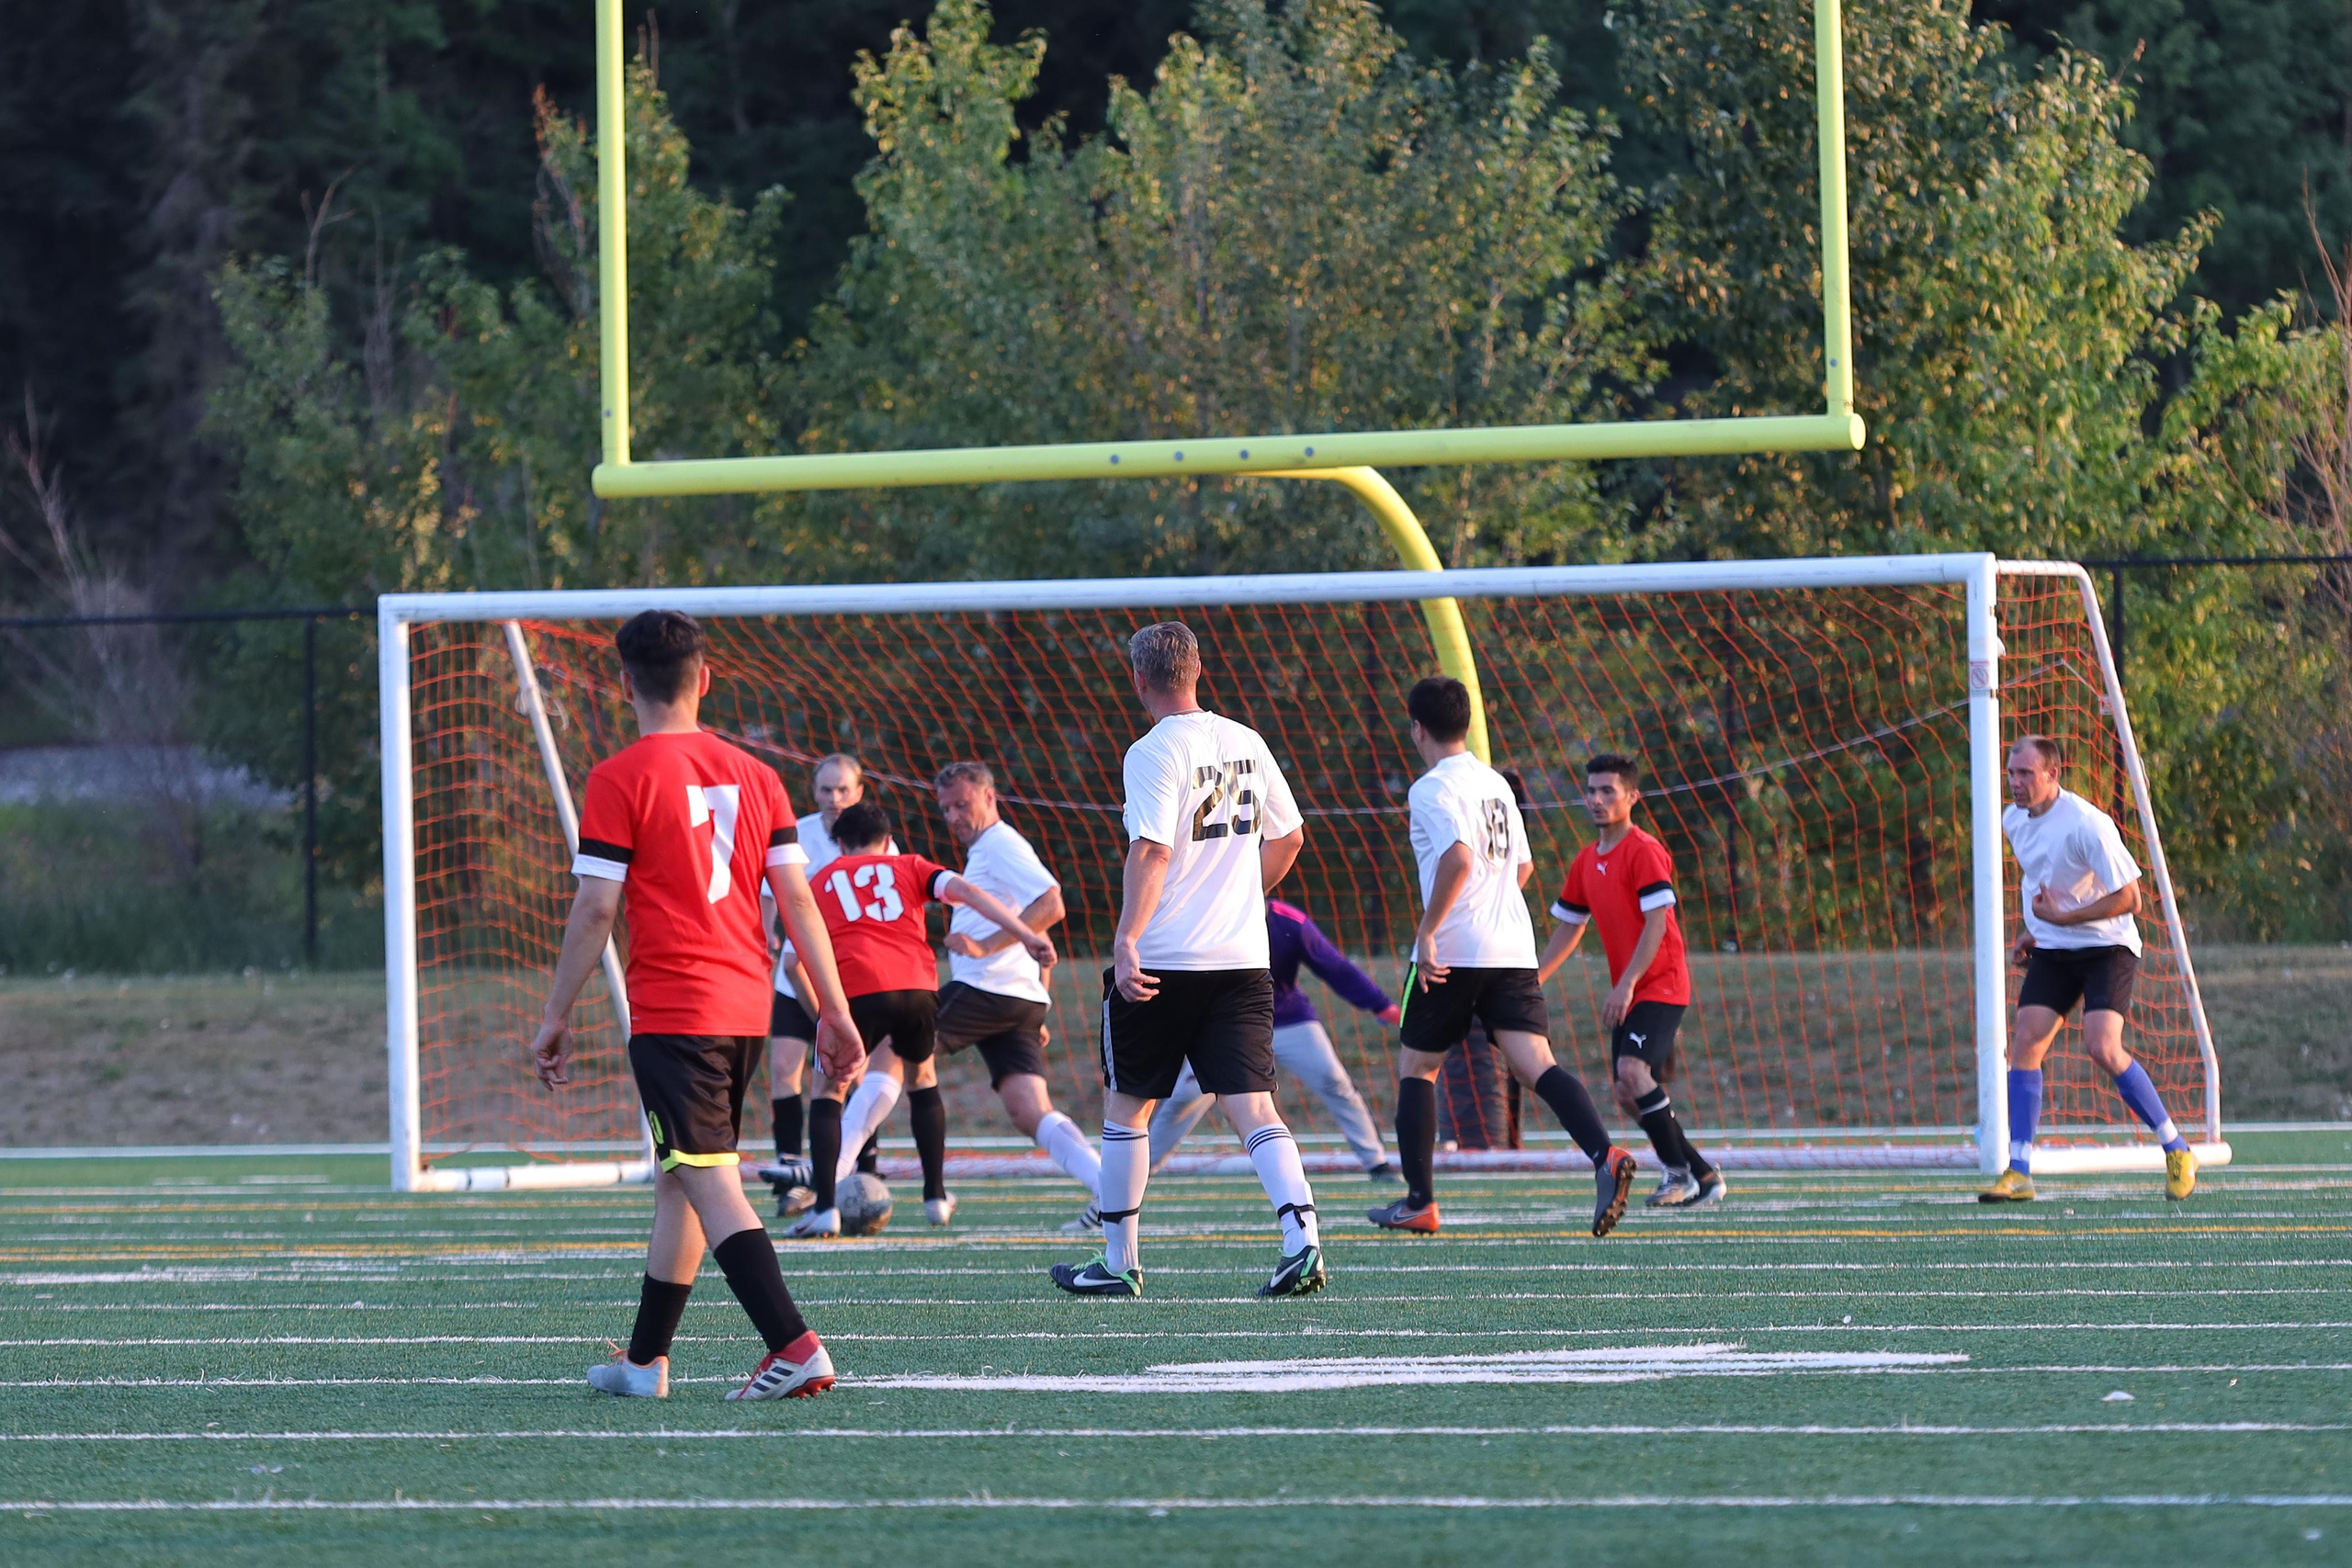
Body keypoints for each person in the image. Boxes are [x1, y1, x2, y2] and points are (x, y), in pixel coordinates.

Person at [532, 609, 863, 1401]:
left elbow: (595, 909)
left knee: (708, 1176)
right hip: (745, 1005)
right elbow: (799, 903)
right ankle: (645, 1362)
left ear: (624, 685)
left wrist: (555, 1014)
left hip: (674, 1008)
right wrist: (835, 1007)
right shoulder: (759, 775)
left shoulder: (618, 776)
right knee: (679, 1174)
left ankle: (795, 1344)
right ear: (705, 679)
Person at [1050, 620, 1326, 1298]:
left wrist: (1125, 938)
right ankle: (1303, 1239)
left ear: (1138, 680)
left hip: (1165, 958)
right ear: (1199, 670)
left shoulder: (1151, 750)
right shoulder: (1247, 741)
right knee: (1254, 1106)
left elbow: (1152, 851)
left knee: (1128, 1110)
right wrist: (1237, 894)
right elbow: (1289, 837)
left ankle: (1119, 1261)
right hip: (1240, 958)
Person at [1370, 675, 1636, 1238]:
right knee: (1537, 1064)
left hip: (1454, 951)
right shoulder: (1494, 783)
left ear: (1417, 728)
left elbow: (1460, 859)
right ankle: (1605, 1156)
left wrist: (1428, 930)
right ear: (1464, 723)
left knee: (1418, 1067)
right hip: (1512, 946)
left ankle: (1420, 1201)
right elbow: (1521, 868)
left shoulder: (1430, 788)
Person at [786, 799, 1059, 1236]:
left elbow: (791, 965)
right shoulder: (911, 866)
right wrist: (1026, 935)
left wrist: (825, 1013)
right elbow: (969, 893)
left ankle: (827, 1208)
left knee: (829, 1090)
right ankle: (935, 1197)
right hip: (916, 987)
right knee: (922, 1080)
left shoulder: (819, 881)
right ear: (888, 840)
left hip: (856, 990)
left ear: (839, 844)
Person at [1982, 735, 2196, 1203]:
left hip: (2107, 947)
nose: (2015, 782)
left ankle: (2176, 1148)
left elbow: (2131, 899)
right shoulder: (2012, 819)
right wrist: (2034, 932)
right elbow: (2048, 881)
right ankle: (2018, 1171)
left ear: (2052, 774)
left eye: (2025, 773)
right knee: (2026, 1044)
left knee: (2101, 1046)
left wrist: (2063, 919)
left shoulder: (2087, 824)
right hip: (2055, 946)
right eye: (2011, 773)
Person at [1537, 753, 1724, 1209]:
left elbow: (1657, 923)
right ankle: (1703, 1172)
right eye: (1591, 790)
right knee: (1627, 1093)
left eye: (1608, 791)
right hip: (1634, 989)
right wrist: (1532, 978)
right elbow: (1569, 925)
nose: (1597, 799)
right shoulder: (1586, 861)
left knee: (1632, 1073)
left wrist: (1625, 985)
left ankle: (1677, 1174)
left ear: (1632, 797)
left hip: (1661, 983)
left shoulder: (1644, 849)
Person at [930, 761, 1103, 1229]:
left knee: (891, 1050)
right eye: (946, 809)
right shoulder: (987, 849)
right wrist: (1041, 998)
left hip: (986, 991)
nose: (954, 817)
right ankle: (1110, 1193)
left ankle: (834, 1177)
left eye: (962, 805)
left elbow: (1052, 904)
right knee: (1030, 1111)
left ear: (989, 797)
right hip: (1016, 1000)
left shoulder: (1000, 843)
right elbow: (1041, 942)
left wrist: (985, 946)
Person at [1145, 899, 1402, 1184]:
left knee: (1335, 1082)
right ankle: (1140, 1171)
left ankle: (1377, 1163)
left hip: (1289, 1019)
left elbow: (1335, 967)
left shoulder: (1290, 922)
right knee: (1185, 1097)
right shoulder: (1210, 918)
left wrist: (1380, 1004)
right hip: (1229, 1026)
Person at [757, 754, 892, 1214]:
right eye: (826, 790)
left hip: (852, 978)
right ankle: (791, 1169)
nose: (834, 798)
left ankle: (860, 1163)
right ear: (814, 792)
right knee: (784, 1068)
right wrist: (765, 938)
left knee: (849, 1071)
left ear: (859, 791)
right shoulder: (796, 831)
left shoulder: (877, 841)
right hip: (795, 974)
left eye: (842, 790)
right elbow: (770, 897)